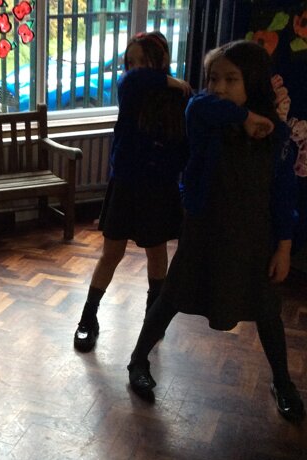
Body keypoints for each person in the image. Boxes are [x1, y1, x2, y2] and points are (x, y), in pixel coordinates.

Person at [126, 40, 305, 422]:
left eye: (231, 79)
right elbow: (198, 105)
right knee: (171, 298)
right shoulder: (205, 119)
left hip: (253, 237)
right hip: (204, 230)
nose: (218, 87)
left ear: (252, 81)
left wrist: (284, 247)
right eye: (213, 78)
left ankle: (282, 382)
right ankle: (138, 360)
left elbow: (283, 194)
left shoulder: (275, 136)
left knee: (267, 310)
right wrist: (243, 117)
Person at [74, 31, 192, 352]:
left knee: (157, 252)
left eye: (143, 60)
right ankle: (88, 317)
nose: (135, 67)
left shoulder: (178, 98)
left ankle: (153, 316)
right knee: (111, 253)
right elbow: (132, 80)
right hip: (126, 186)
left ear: (161, 60)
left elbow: (184, 146)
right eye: (131, 62)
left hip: (158, 189)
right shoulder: (131, 88)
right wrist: (167, 79)